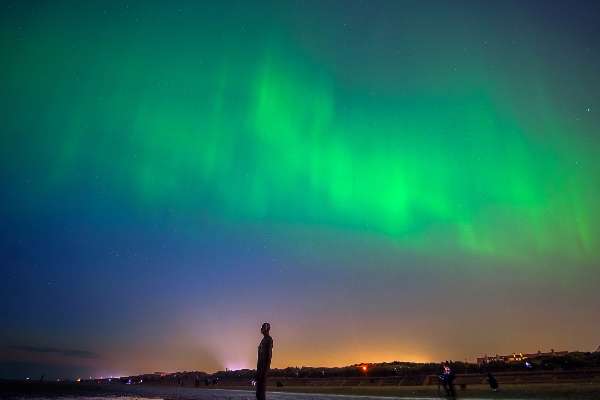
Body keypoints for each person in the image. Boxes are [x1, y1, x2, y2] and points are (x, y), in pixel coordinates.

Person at [256, 322, 273, 400]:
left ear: (266, 329)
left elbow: (269, 356)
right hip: (260, 368)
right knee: (258, 391)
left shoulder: (269, 340)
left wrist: (266, 370)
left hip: (263, 368)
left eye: (262, 327)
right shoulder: (263, 340)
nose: (261, 329)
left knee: (261, 391)